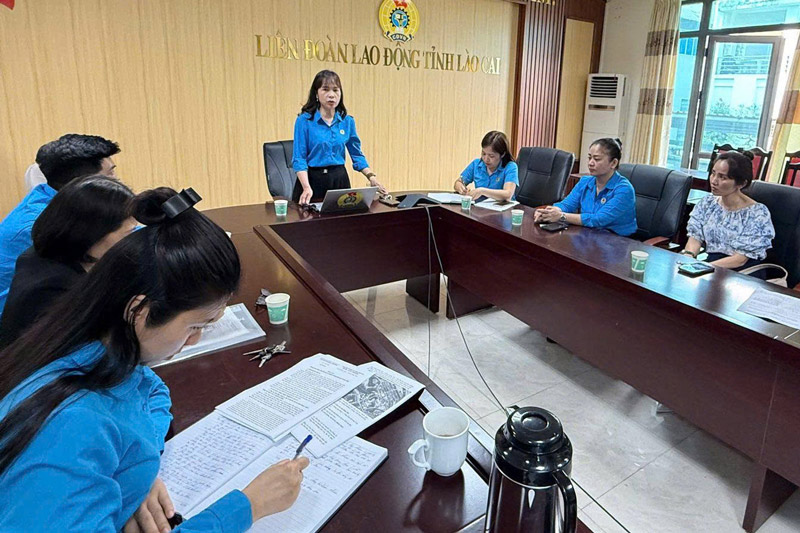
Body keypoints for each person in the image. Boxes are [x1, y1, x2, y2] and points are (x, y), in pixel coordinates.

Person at [0, 188, 309, 532]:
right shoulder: (70, 429)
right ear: (140, 311)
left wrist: (136, 469)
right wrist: (248, 506)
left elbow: (152, 392)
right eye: (196, 326)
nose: (194, 341)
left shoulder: (93, 345)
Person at [0, 175, 138, 348]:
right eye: (129, 232)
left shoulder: (50, 254)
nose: (132, 239)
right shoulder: (53, 288)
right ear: (95, 232)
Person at [0, 134, 120, 313]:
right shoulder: (41, 224)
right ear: (84, 184)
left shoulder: (57, 199)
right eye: (109, 174)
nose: (117, 180)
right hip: (26, 326)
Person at [292, 70, 386, 204]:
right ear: (316, 93)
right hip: (312, 181)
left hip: (339, 180)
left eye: (336, 90)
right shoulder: (304, 121)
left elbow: (356, 154)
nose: (331, 95)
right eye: (325, 89)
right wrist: (306, 187)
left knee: (342, 223)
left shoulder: (347, 121)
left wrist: (371, 176)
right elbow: (299, 158)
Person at [682, 151, 775, 270]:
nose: (714, 181)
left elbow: (740, 260)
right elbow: (695, 237)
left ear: (741, 183)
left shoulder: (757, 214)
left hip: (741, 272)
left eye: (722, 177)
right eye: (713, 173)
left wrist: (701, 267)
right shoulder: (707, 203)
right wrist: (688, 257)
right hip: (711, 265)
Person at [534, 138, 637, 237]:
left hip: (617, 242)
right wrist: (549, 212)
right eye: (589, 158)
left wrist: (561, 216)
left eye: (597, 159)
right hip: (588, 235)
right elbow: (567, 204)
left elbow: (598, 219)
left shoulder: (624, 189)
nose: (590, 163)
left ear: (613, 163)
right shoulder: (585, 182)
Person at [454, 131, 519, 202]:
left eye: (491, 156)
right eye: (484, 154)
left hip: (503, 211)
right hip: (480, 209)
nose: (486, 159)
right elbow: (458, 182)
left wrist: (482, 191)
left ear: (502, 154)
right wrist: (460, 188)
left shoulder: (510, 166)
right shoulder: (476, 164)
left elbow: (508, 194)